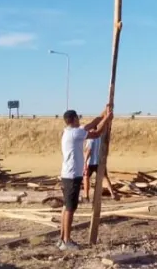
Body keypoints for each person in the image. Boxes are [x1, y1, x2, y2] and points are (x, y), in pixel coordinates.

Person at [59, 106, 113, 251]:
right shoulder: (75, 134)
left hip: (67, 175)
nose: (80, 120)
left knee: (66, 206)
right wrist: (107, 119)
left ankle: (62, 238)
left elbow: (92, 123)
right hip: (72, 175)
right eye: (78, 118)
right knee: (70, 208)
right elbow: (97, 133)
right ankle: (66, 241)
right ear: (74, 119)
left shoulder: (69, 131)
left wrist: (104, 111)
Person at [83, 136, 120, 201]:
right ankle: (112, 193)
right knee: (105, 177)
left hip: (90, 162)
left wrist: (85, 162)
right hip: (100, 162)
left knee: (86, 177)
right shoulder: (100, 138)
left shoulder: (91, 139)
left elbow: (89, 150)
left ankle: (86, 195)